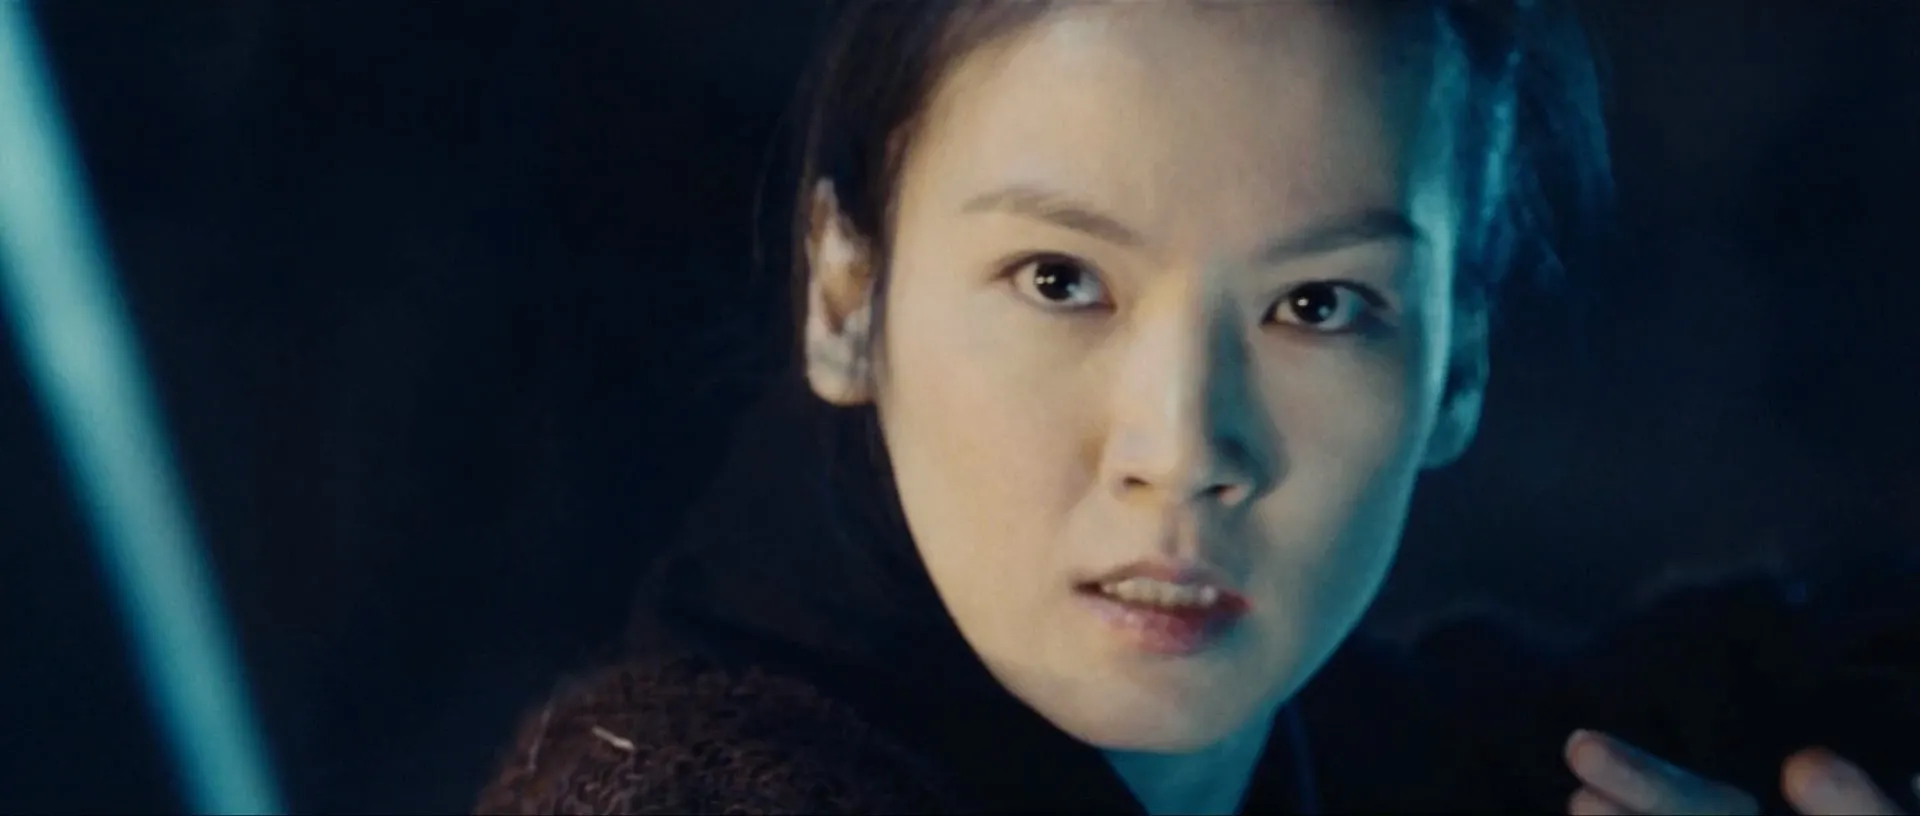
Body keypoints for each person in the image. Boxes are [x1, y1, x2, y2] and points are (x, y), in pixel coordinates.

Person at [473, 1, 1920, 813]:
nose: (1179, 453)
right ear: (847, 298)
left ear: (1458, 367)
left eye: (1319, 305)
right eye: (1059, 280)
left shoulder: (1377, 759)